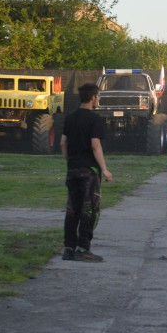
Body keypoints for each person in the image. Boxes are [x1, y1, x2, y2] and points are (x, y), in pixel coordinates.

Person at [60, 83, 113, 262]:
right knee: (89, 209)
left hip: (72, 169)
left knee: (72, 209)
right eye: (98, 97)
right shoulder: (95, 119)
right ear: (93, 97)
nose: (98, 100)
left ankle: (68, 248)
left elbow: (63, 143)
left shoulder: (70, 117)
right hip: (89, 171)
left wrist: (70, 162)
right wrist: (104, 169)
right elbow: (95, 144)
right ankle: (83, 248)